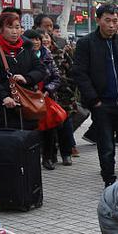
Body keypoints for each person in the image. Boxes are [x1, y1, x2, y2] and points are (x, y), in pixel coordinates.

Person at [72, 3, 118, 186]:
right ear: (98, 20)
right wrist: (94, 100)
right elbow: (80, 74)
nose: (112, 25)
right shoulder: (86, 43)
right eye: (108, 21)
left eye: (115, 21)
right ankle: (109, 181)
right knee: (106, 148)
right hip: (102, 105)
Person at [0, 11, 45, 130]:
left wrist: (27, 78)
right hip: (1, 107)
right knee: (6, 143)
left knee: (28, 141)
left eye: (17, 27)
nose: (14, 31)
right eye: (9, 27)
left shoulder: (26, 47)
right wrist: (4, 96)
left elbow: (40, 70)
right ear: (0, 29)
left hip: (27, 105)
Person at [41, 30, 78, 166]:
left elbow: (73, 70)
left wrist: (69, 85)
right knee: (50, 127)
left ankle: (66, 153)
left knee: (65, 125)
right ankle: (50, 155)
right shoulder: (36, 55)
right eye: (41, 38)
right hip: (47, 97)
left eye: (46, 37)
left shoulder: (61, 52)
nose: (44, 40)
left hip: (64, 95)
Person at [25, 28, 61, 170]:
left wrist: (48, 90)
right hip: (29, 99)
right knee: (34, 130)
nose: (35, 42)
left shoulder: (47, 55)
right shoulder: (23, 56)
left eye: (37, 39)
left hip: (46, 98)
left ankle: (48, 157)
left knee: (49, 129)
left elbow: (56, 77)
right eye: (32, 39)